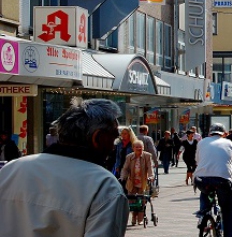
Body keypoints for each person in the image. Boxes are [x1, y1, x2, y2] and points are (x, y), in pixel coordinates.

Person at [0, 98, 129, 236]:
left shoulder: (11, 169)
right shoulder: (104, 186)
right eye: (114, 138)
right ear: (97, 138)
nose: (113, 146)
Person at [193, 123, 232, 237]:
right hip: (223, 180)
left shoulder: (201, 142)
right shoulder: (230, 144)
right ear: (224, 133)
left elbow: (198, 161)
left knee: (204, 191)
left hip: (201, 179)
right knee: (227, 211)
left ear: (210, 133)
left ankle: (204, 214)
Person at [119, 140, 154, 225]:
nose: (139, 149)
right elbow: (125, 169)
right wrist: (122, 177)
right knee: (132, 201)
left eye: (140, 147)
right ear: (133, 148)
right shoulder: (129, 157)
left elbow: (150, 168)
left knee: (141, 201)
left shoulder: (147, 156)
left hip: (143, 182)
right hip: (132, 182)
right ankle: (134, 217)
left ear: (143, 147)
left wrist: (151, 176)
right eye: (137, 147)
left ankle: (140, 219)